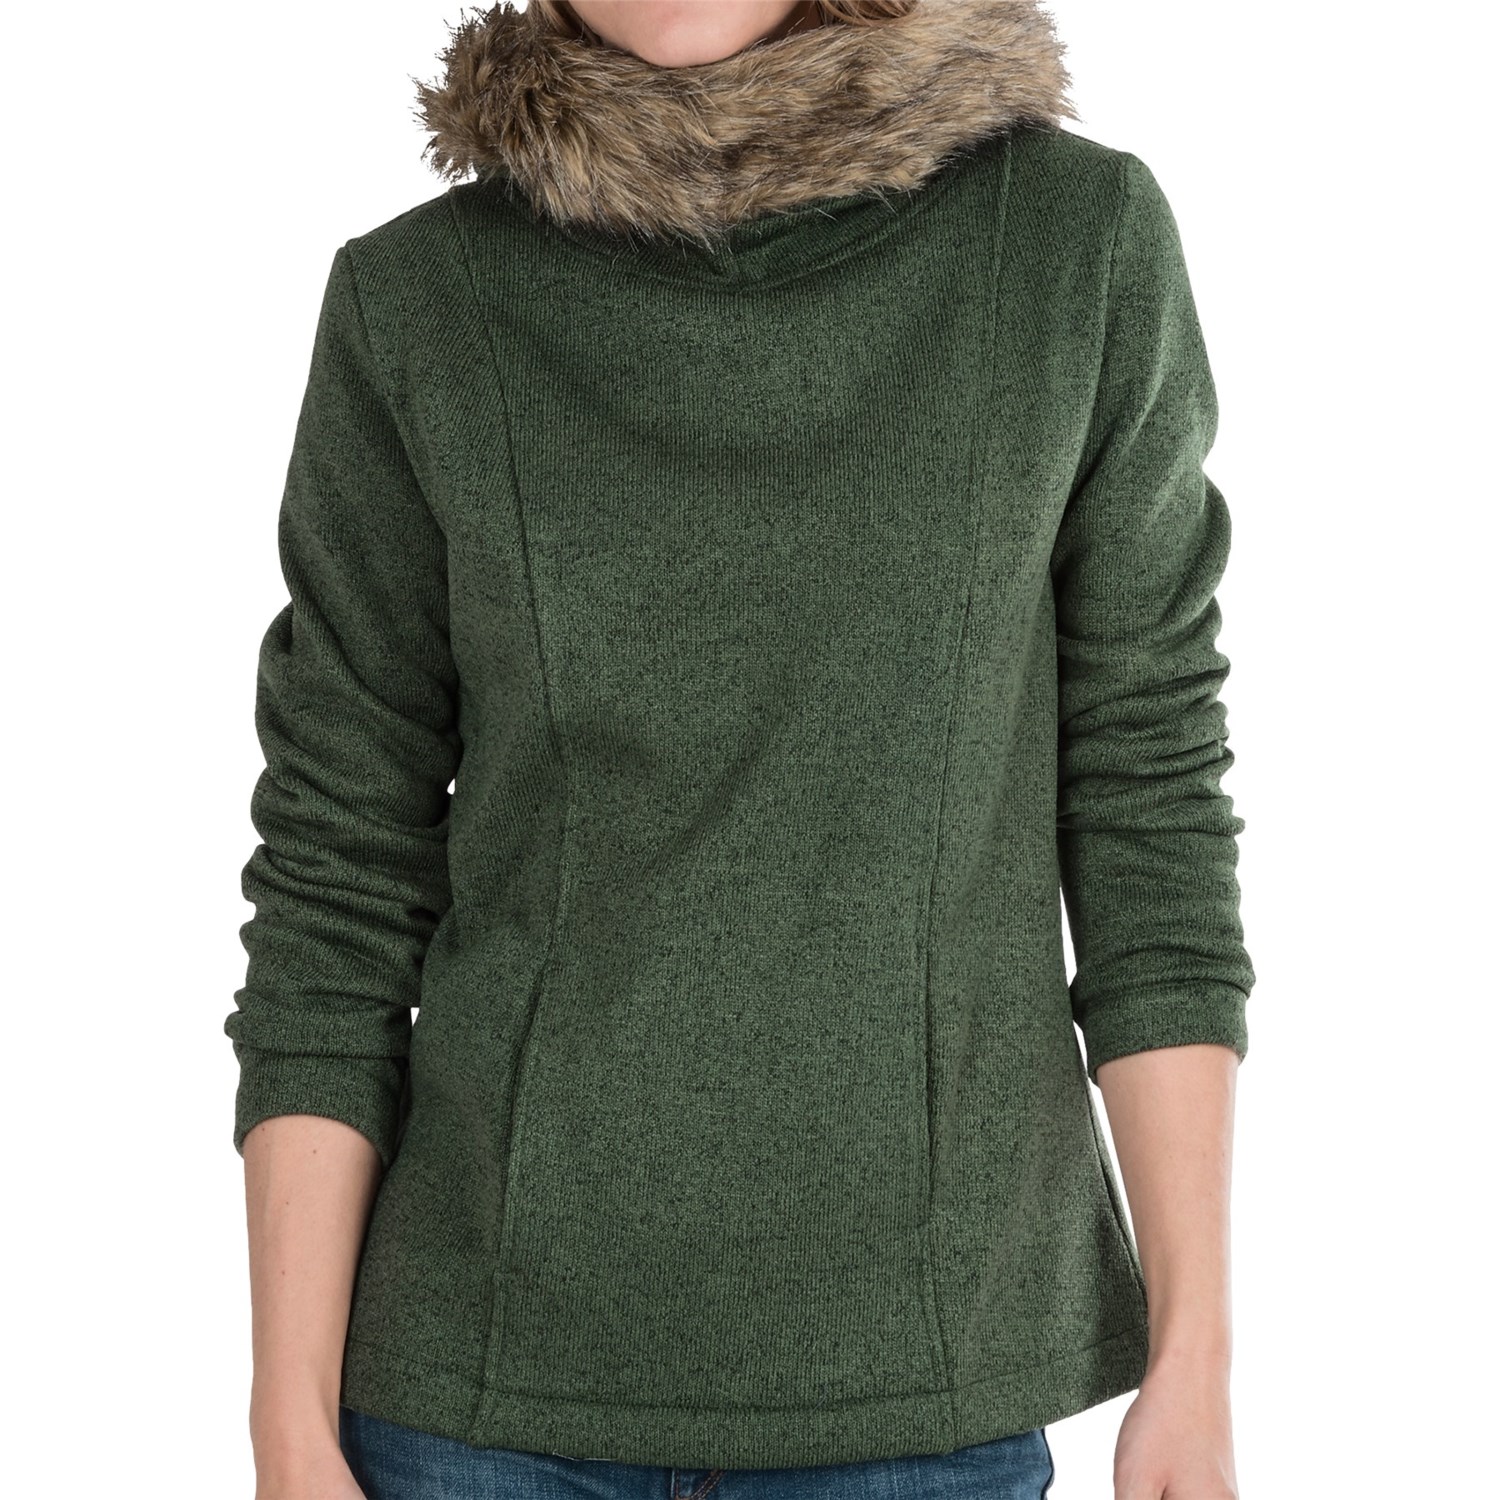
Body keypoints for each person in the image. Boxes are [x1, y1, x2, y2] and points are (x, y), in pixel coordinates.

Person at [224, 2, 1255, 1497]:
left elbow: (1146, 793)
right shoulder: (421, 304)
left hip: (922, 1407)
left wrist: (1197, 1356)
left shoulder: (1068, 247)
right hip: (473, 1409)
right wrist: (287, 1423)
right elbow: (339, 866)